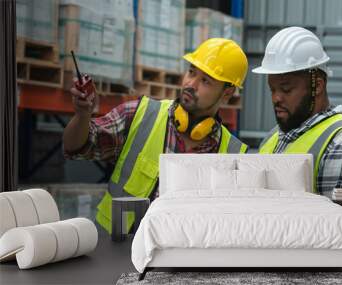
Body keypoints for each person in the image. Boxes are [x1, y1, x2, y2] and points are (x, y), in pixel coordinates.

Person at [63, 38, 249, 234]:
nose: (191, 84)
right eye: (191, 72)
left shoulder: (233, 155)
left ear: (227, 92)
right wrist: (83, 115)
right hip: (115, 250)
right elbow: (75, 147)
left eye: (205, 81)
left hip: (177, 260)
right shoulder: (140, 115)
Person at [253, 26, 342, 198]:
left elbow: (336, 222)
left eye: (286, 89)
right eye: (272, 90)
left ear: (317, 86)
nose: (276, 98)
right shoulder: (272, 137)